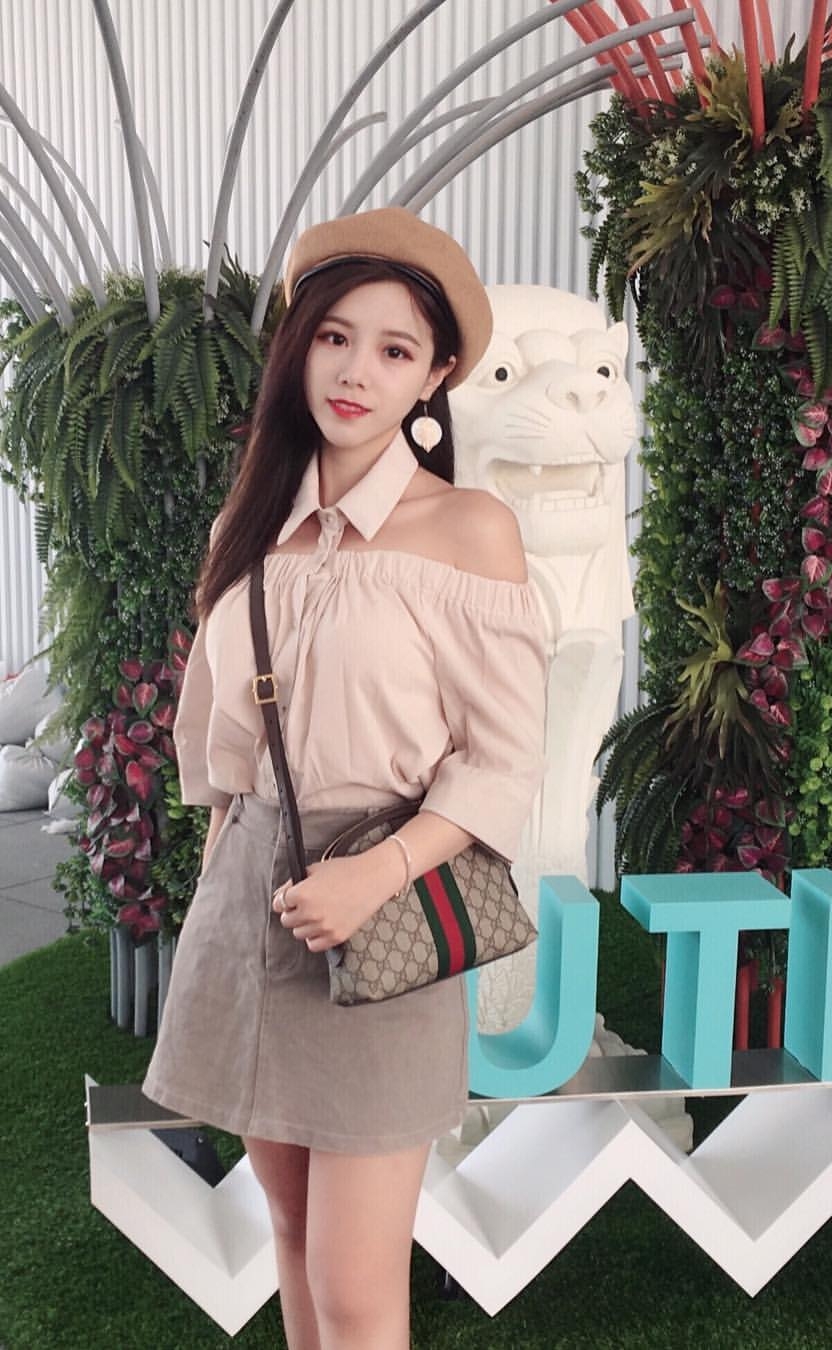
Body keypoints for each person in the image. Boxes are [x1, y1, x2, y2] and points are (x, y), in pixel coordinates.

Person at [143, 208, 547, 1350]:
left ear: (437, 375)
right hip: (249, 905)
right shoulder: (253, 522)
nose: (356, 371)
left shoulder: (468, 529)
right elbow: (226, 745)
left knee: (356, 1281)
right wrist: (221, 881)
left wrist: (377, 874)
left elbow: (503, 758)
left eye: (393, 348)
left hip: (381, 908)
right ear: (298, 346)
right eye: (333, 337)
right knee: (287, 1233)